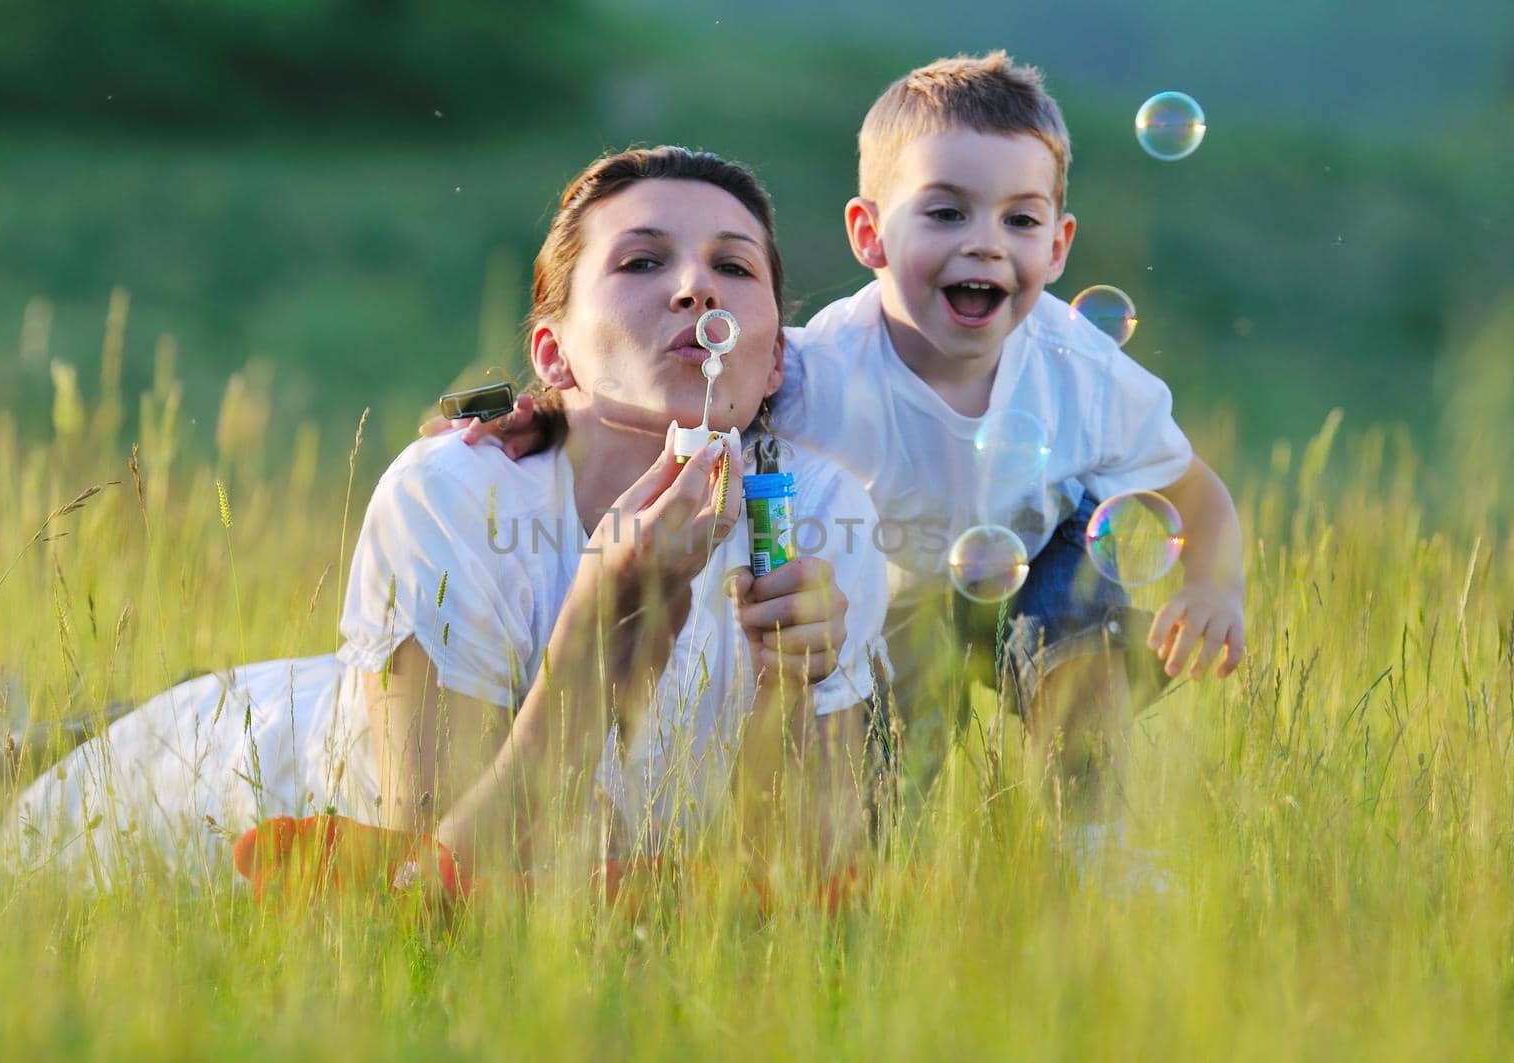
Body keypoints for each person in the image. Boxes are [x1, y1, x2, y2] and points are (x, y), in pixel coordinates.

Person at [0, 146, 889, 894]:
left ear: (773, 361)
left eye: (733, 265)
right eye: (642, 261)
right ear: (554, 353)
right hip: (199, 798)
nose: (697, 286)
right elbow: (446, 888)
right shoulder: (457, 493)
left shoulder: (818, 513)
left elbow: (802, 893)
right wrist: (593, 636)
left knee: (17, 743)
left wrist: (792, 689)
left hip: (344, 699)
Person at [431, 53, 1247, 871]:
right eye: (946, 214)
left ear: (1061, 246)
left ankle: (1095, 844)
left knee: (1078, 621)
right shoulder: (819, 371)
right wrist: (533, 412)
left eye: (1020, 221)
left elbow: (1193, 494)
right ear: (869, 235)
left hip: (1031, 572)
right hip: (879, 615)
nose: (985, 245)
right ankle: (903, 885)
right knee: (876, 817)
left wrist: (1214, 586)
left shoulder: (1081, 370)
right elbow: (696, 393)